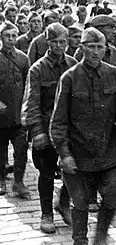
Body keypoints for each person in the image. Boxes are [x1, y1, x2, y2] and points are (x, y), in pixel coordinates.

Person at [50, 27, 116, 245]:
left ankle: (100, 237)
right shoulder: (69, 78)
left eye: (99, 47)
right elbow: (58, 122)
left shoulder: (115, 75)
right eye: (90, 47)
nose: (95, 52)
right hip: (78, 154)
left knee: (112, 195)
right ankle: (80, 240)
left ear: (106, 49)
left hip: (109, 153)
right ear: (81, 48)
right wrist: (64, 155)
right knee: (80, 203)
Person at [21, 23, 75, 233]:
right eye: (55, 42)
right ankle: (46, 214)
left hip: (68, 130)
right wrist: (37, 132)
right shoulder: (38, 69)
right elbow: (31, 102)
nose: (59, 46)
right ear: (47, 42)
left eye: (63, 41)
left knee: (72, 171)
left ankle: (63, 202)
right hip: (46, 127)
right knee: (46, 173)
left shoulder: (72, 64)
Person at [0, 21, 31, 198]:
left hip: (18, 114)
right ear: (1, 37)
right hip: (1, 115)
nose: (11, 39)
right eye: (7, 35)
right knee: (0, 149)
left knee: (21, 149)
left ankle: (18, 182)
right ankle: (1, 179)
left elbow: (28, 85)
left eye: (14, 35)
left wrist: (25, 109)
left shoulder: (23, 58)